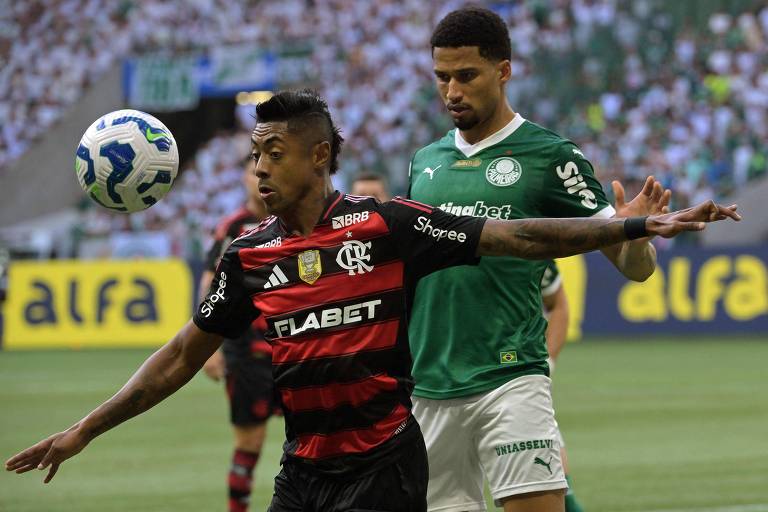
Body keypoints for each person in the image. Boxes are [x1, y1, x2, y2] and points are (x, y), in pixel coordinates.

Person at [5, 90, 738, 512]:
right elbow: (177, 357)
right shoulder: (249, 255)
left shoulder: (388, 227)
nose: (258, 168)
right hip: (302, 473)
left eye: (274, 152)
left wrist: (633, 224)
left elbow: (517, 237)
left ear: (319, 156)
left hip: (385, 467)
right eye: (254, 154)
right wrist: (85, 430)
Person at [406, 7, 675, 512]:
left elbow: (633, 267)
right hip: (428, 386)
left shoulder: (551, 155)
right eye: (442, 77)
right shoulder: (425, 162)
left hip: (511, 377)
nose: (451, 92)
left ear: (503, 71)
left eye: (466, 76)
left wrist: (633, 233)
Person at [199, 158, 279, 512]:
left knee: (316, 437)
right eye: (252, 171)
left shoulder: (294, 219)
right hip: (248, 351)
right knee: (251, 440)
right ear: (244, 179)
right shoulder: (232, 227)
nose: (260, 175)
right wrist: (207, 347)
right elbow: (209, 282)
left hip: (297, 344)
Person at [539, 260, 583, 512]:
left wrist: (548, 364)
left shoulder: (521, 240)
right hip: (432, 379)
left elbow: (558, 304)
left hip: (514, 376)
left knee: (559, 492)